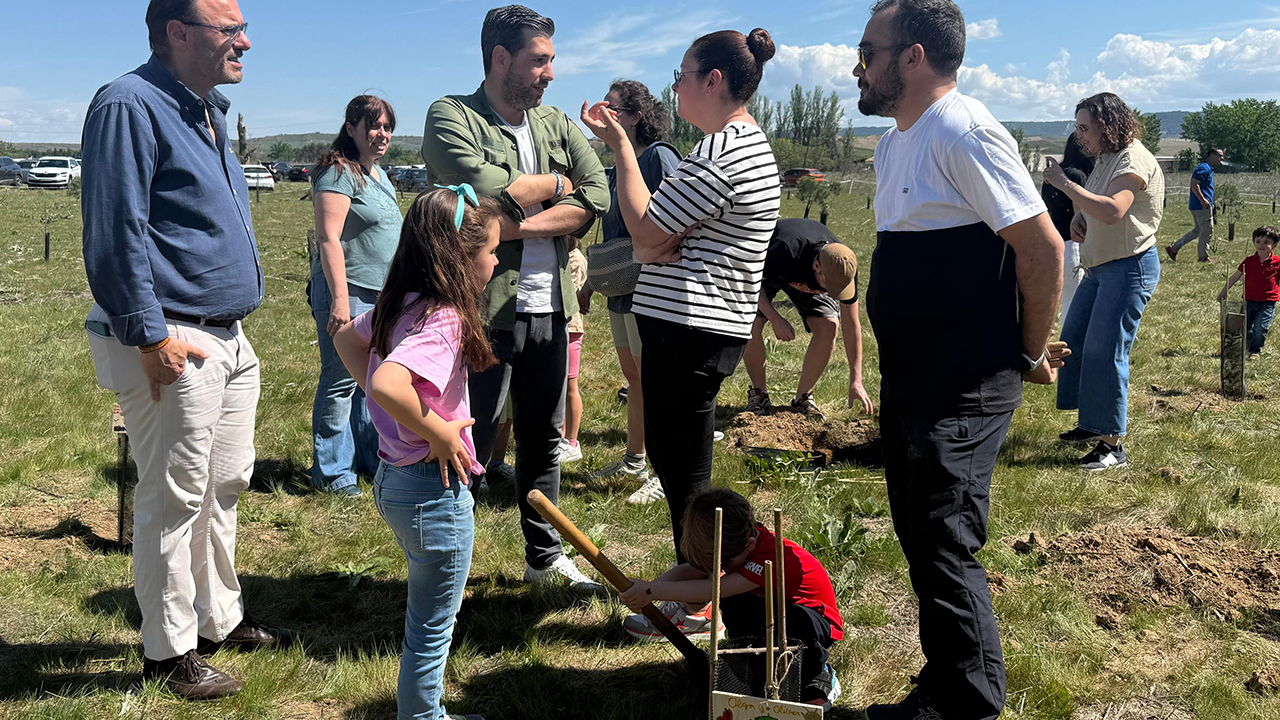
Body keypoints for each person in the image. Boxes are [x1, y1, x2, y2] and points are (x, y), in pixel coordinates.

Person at [852, 1, 1068, 718]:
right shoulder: (893, 144)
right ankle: (945, 680)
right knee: (919, 534)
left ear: (912, 57)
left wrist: (1029, 351)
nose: (859, 65)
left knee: (945, 539)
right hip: (912, 376)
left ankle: (970, 702)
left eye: (868, 50)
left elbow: (1039, 251)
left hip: (965, 379)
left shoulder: (963, 130)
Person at [81, 0, 293, 700]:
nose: (247, 42)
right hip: (171, 335)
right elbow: (115, 231)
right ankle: (167, 653)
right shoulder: (129, 104)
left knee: (224, 485)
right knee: (172, 499)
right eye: (229, 29)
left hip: (227, 335)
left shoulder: (210, 109)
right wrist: (147, 336)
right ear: (178, 33)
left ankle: (218, 621)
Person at [580, 27, 781, 614]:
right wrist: (655, 240)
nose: (677, 86)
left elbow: (644, 232)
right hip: (697, 325)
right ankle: (696, 577)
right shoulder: (734, 146)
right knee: (674, 460)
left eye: (683, 75)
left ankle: (703, 597)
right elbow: (654, 237)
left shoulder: (722, 151)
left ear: (712, 80)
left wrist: (620, 147)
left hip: (690, 328)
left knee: (686, 471)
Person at [422, 4, 609, 593]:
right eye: (539, 60)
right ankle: (447, 566)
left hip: (549, 307)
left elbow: (598, 193)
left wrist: (516, 218)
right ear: (501, 58)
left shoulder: (555, 123)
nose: (550, 73)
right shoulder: (452, 115)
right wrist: (557, 189)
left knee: (543, 437)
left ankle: (544, 559)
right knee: (461, 438)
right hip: (479, 312)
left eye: (551, 60)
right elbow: (471, 188)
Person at [334, 186, 496, 720]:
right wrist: (440, 433)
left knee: (425, 612)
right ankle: (422, 716)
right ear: (459, 257)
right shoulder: (447, 317)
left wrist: (394, 418)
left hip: (394, 480)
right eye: (490, 252)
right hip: (434, 490)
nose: (495, 261)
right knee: (431, 624)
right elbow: (387, 383)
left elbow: (347, 343)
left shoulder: (398, 302)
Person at [618, 488, 844, 710]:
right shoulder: (739, 541)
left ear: (749, 547)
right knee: (735, 602)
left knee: (742, 599)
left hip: (813, 622)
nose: (719, 569)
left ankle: (817, 673)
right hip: (769, 609)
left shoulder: (768, 555)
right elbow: (691, 571)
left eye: (723, 564)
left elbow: (713, 589)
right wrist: (646, 589)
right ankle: (755, 664)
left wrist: (652, 591)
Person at [1044, 92, 1164, 471]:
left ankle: (1112, 446)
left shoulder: (1133, 160)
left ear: (1107, 125)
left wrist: (1064, 185)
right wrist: (1080, 214)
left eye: (1085, 128)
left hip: (1129, 269)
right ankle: (1091, 424)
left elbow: (1113, 210)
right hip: (1100, 267)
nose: (1081, 137)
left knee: (1105, 350)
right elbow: (1096, 201)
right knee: (1075, 340)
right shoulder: (1107, 158)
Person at [579, 79, 682, 506]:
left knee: (659, 381)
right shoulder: (620, 162)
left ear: (637, 117)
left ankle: (666, 470)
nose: (604, 113)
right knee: (636, 378)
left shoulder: (659, 157)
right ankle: (636, 458)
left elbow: (678, 214)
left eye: (613, 108)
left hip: (653, 286)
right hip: (623, 285)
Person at [309, 95, 403, 496]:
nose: (381, 135)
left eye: (387, 127)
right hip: (348, 292)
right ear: (351, 128)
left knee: (370, 379)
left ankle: (367, 458)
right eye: (373, 126)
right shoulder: (338, 172)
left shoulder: (378, 175)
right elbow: (328, 237)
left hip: (381, 294)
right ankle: (333, 474)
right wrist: (341, 302)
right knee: (339, 379)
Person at [744, 218, 874, 419]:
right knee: (749, 324)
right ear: (816, 265)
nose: (833, 294)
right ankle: (759, 395)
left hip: (802, 275)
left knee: (829, 326)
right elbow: (750, 284)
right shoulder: (785, 250)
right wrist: (775, 318)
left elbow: (852, 325)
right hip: (767, 274)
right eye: (830, 286)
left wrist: (856, 379)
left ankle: (803, 398)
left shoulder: (844, 267)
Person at [1040, 134, 1095, 317]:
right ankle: (1071, 343)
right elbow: (1079, 213)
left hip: (1053, 241)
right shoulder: (1076, 176)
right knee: (1073, 300)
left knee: (1058, 300)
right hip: (1073, 243)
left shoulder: (1052, 176)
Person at [1217, 225, 1280, 355]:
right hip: (1249, 301)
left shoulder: (1277, 263)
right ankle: (1245, 345)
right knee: (1245, 327)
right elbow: (1236, 276)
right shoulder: (1249, 261)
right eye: (1258, 241)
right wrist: (1224, 291)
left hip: (1267, 302)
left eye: (1266, 242)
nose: (1261, 245)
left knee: (1260, 328)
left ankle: (1254, 350)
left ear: (1274, 245)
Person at [556, 242, 588, 463]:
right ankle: (561, 437)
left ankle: (572, 441)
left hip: (571, 329)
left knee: (570, 386)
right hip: (562, 327)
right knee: (560, 386)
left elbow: (572, 294)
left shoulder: (575, 260)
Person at [1166, 148, 1224, 263]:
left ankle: (1173, 249)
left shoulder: (1208, 169)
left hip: (1199, 205)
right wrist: (1203, 200)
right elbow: (1194, 184)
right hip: (1202, 206)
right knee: (1207, 231)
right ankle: (1203, 257)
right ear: (1211, 155)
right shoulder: (1204, 168)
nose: (1221, 159)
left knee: (1198, 230)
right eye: (1219, 156)